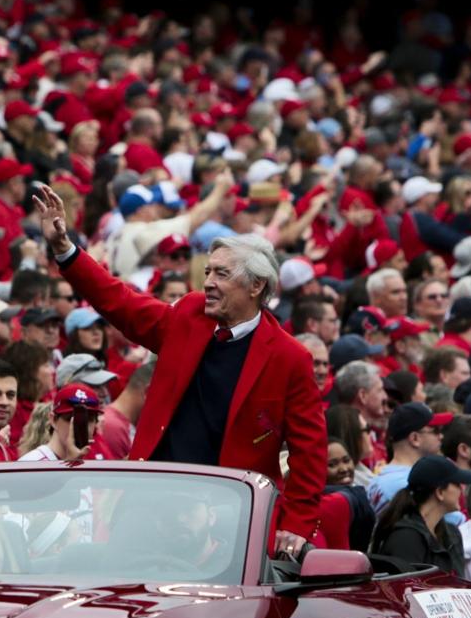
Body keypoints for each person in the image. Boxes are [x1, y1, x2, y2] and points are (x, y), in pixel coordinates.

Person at [38, 184, 325, 553]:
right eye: (208, 272)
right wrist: (66, 251)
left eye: (221, 274)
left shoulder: (290, 357)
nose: (207, 283)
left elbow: (310, 451)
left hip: (229, 518)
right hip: (151, 498)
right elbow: (120, 302)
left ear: (256, 285)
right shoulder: (189, 314)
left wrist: (297, 525)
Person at [371, 455, 470, 576]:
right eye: (457, 484)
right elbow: (407, 590)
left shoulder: (452, 533)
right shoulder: (405, 538)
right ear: (440, 492)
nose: (462, 490)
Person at [368, 402, 454, 518]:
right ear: (414, 438)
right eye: (435, 431)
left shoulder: (383, 478)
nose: (441, 436)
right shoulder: (406, 484)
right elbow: (455, 521)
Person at [19, 383, 100, 461]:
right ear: (53, 420)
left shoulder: (93, 460)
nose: (79, 427)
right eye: (70, 419)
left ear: (96, 423)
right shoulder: (33, 463)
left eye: (88, 420)